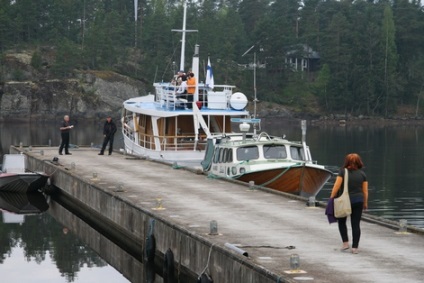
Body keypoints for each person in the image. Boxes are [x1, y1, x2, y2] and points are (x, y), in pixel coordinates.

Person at [330, 153, 368, 254]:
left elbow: (336, 186)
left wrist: (331, 197)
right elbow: (365, 191)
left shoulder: (342, 172)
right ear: (359, 162)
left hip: (344, 201)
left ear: (346, 162)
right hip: (358, 201)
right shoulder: (362, 174)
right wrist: (365, 203)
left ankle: (345, 243)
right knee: (356, 224)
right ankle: (355, 248)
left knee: (342, 222)